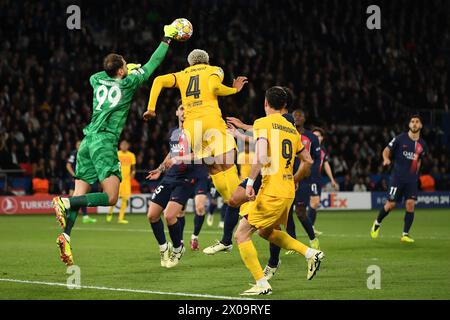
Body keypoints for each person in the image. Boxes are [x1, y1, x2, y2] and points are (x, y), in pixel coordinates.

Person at [51, 24, 179, 266]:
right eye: (125, 65)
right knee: (111, 197)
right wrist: (167, 38)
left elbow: (101, 75)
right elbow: (153, 63)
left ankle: (66, 235)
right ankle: (64, 202)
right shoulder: (128, 84)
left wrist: (127, 68)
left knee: (81, 193)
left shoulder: (97, 79)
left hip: (86, 142)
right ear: (121, 71)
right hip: (104, 142)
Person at [234, 87, 324, 295]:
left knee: (241, 234)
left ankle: (262, 283)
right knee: (266, 232)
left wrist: (249, 183)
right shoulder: (292, 130)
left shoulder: (262, 123)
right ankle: (310, 252)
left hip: (271, 190)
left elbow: (261, 155)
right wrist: (294, 179)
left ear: (266, 103)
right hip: (287, 191)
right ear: (284, 106)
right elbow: (308, 160)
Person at [145, 49, 248, 212]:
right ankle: (245, 208)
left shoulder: (182, 74)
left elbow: (158, 80)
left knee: (213, 167)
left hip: (192, 128)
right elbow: (214, 87)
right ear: (206, 61)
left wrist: (151, 108)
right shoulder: (214, 70)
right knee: (227, 165)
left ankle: (230, 201)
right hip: (211, 121)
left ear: (190, 62)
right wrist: (234, 90)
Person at [146, 103, 196, 268]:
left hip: (186, 178)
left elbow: (201, 153)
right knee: (152, 215)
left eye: (187, 109)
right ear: (176, 112)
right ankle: (163, 247)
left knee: (169, 215)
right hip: (170, 176)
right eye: (181, 108)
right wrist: (160, 168)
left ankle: (177, 247)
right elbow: (172, 153)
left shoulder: (195, 132)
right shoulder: (174, 132)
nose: (184, 112)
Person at [370, 115, 427, 243]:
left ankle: (405, 234)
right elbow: (386, 150)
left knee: (410, 204)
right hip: (397, 178)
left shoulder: (422, 144)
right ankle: (377, 222)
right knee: (391, 204)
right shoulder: (400, 139)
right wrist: (386, 158)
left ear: (421, 126)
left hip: (411, 180)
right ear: (409, 125)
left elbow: (419, 160)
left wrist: (415, 175)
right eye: (412, 121)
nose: (414, 124)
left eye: (417, 122)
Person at [308, 127, 338, 233]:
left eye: (318, 136)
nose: (316, 137)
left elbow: (326, 164)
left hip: (318, 178)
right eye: (314, 135)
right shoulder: (308, 147)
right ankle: (309, 228)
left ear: (322, 138)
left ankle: (311, 227)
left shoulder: (322, 150)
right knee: (314, 202)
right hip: (309, 177)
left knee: (315, 203)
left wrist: (332, 180)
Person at [66, 140, 97, 224]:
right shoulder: (74, 153)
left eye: (81, 144)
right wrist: (74, 175)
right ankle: (66, 212)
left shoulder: (87, 154)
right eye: (78, 144)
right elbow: (68, 165)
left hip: (83, 178)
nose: (80, 146)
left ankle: (84, 216)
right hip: (76, 178)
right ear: (76, 146)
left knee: (81, 197)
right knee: (73, 196)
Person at [107, 139, 136, 224]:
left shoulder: (131, 155)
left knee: (124, 199)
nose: (124, 146)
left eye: (125, 145)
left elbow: (133, 168)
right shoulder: (117, 154)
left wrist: (133, 174)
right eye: (122, 145)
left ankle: (121, 218)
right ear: (120, 146)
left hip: (126, 181)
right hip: (117, 179)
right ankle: (110, 212)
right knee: (113, 197)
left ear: (128, 146)